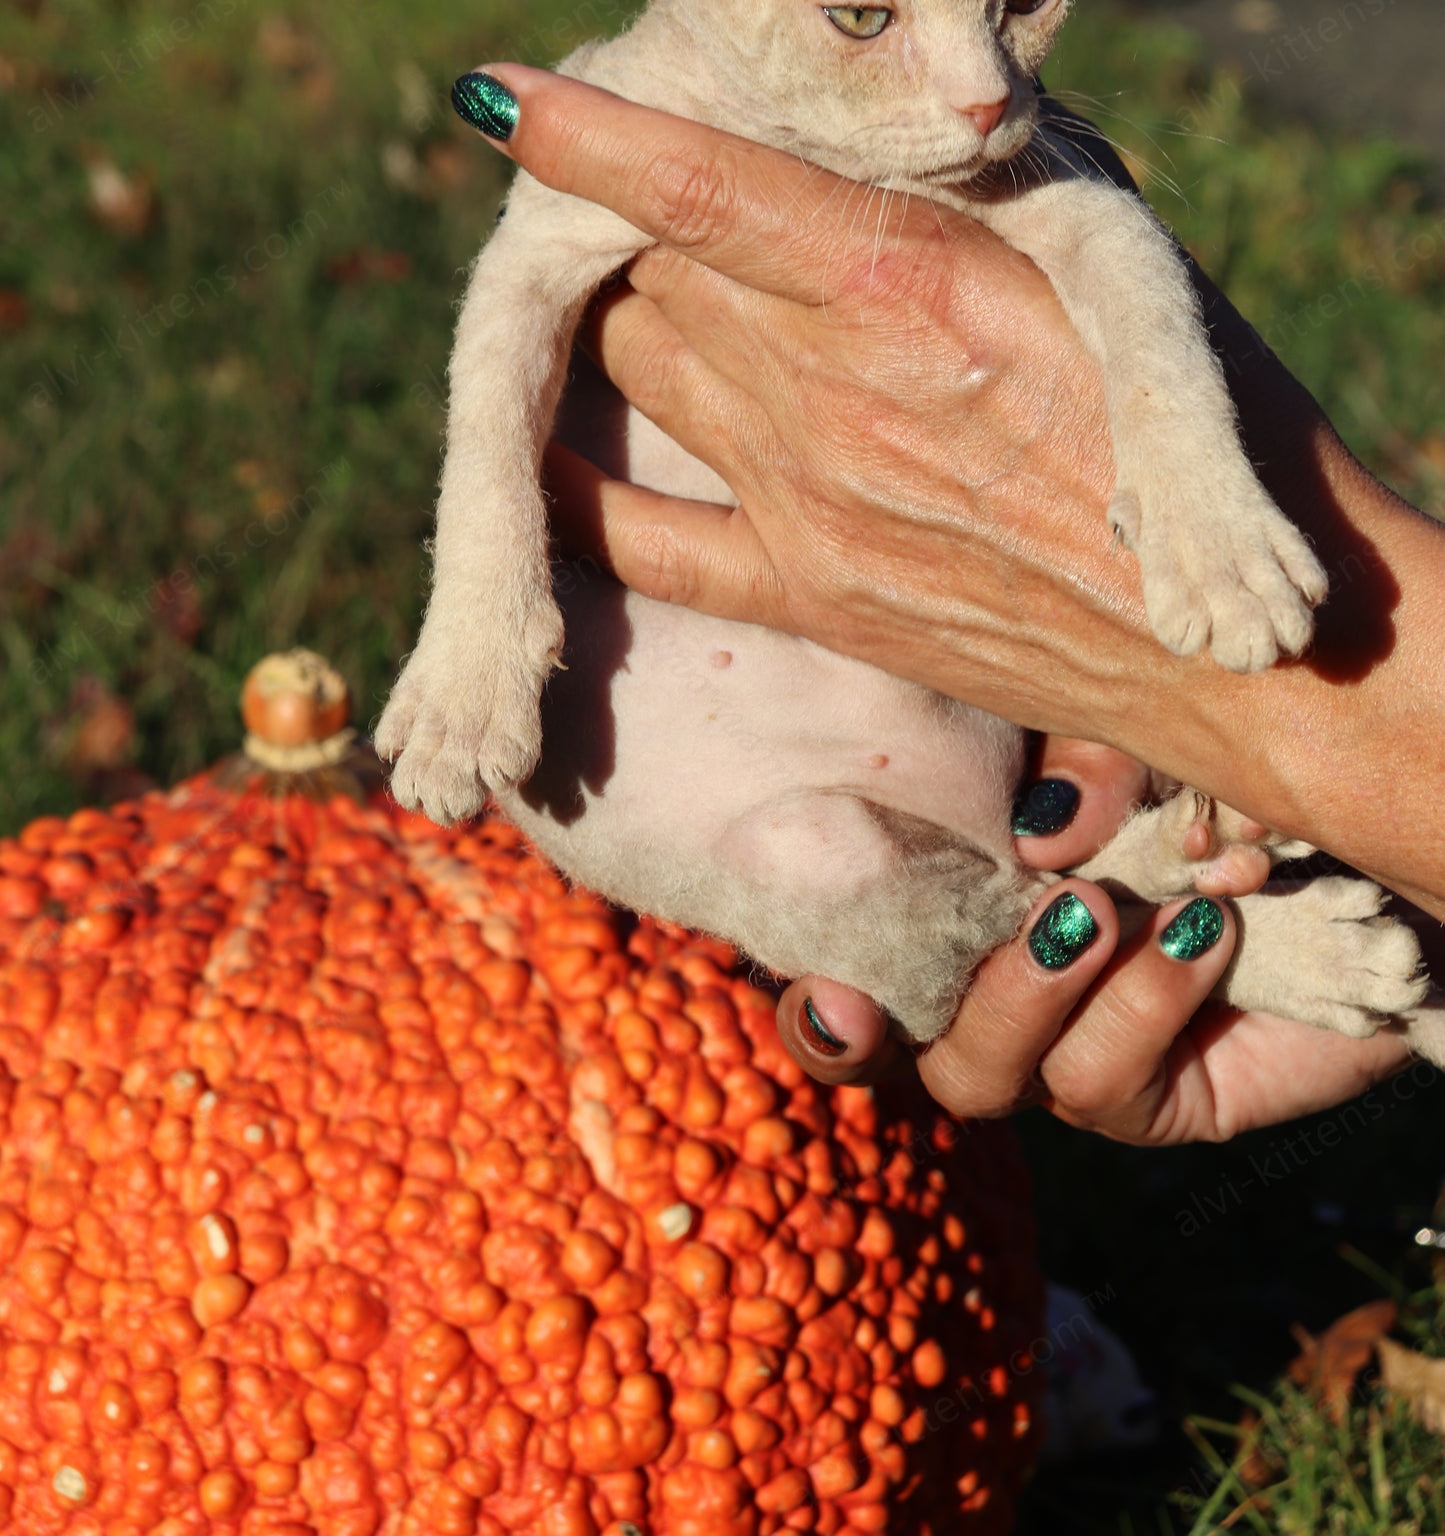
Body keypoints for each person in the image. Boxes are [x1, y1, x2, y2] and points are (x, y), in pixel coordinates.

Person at [463, 61, 1445, 1145]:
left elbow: (1094, 240)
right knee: (829, 871)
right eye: (860, 18)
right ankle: (1150, 907)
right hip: (741, 765)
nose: (978, 82)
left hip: (967, 738)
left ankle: (1150, 898)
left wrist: (1307, 729)